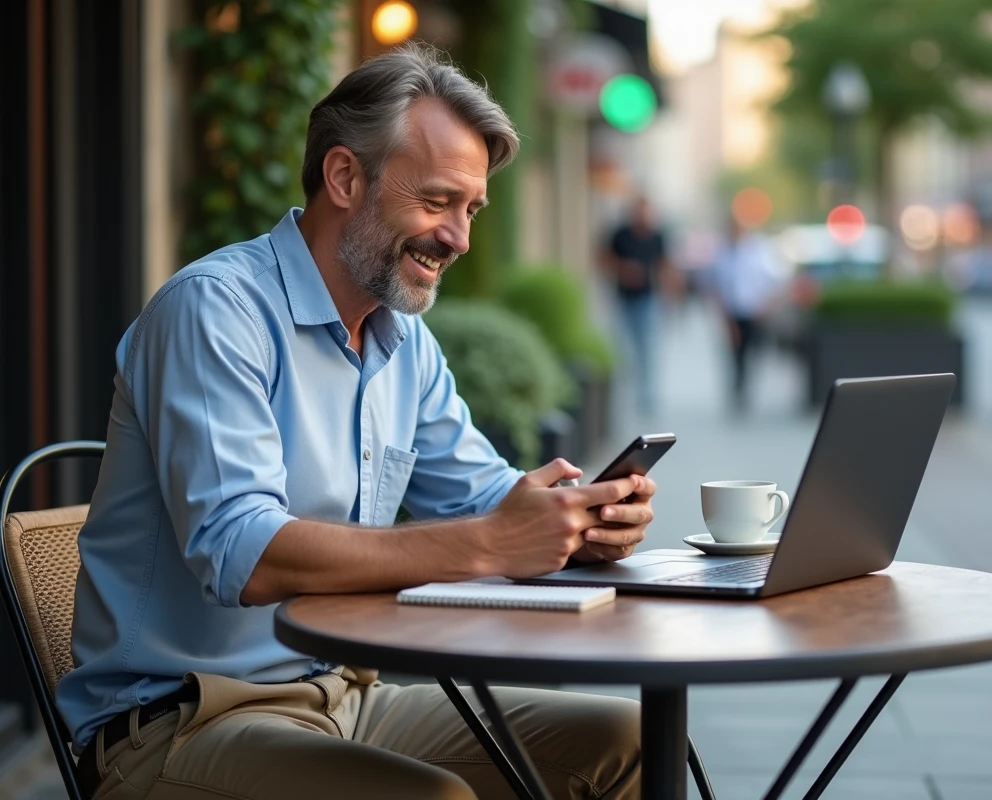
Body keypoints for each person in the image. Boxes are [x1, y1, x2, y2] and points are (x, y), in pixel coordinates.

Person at [59, 44, 653, 800]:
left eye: (470, 210)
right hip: (177, 722)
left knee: (623, 744)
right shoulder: (215, 311)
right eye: (437, 201)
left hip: (345, 698)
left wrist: (578, 524)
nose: (460, 238)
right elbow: (242, 552)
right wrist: (495, 540)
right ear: (344, 177)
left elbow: (490, 506)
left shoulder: (405, 343)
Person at [602, 196, 675, 417]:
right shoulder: (621, 235)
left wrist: (670, 295)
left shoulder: (657, 236)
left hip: (648, 299)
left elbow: (665, 265)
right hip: (624, 299)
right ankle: (623, 396)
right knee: (622, 350)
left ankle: (647, 397)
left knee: (647, 349)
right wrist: (623, 269)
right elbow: (604, 259)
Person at [708, 216, 787, 413]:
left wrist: (768, 306)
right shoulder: (722, 254)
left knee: (754, 353)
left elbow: (777, 281)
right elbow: (716, 286)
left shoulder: (759, 251)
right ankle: (738, 390)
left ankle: (747, 389)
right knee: (736, 354)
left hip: (755, 312)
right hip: (733, 313)